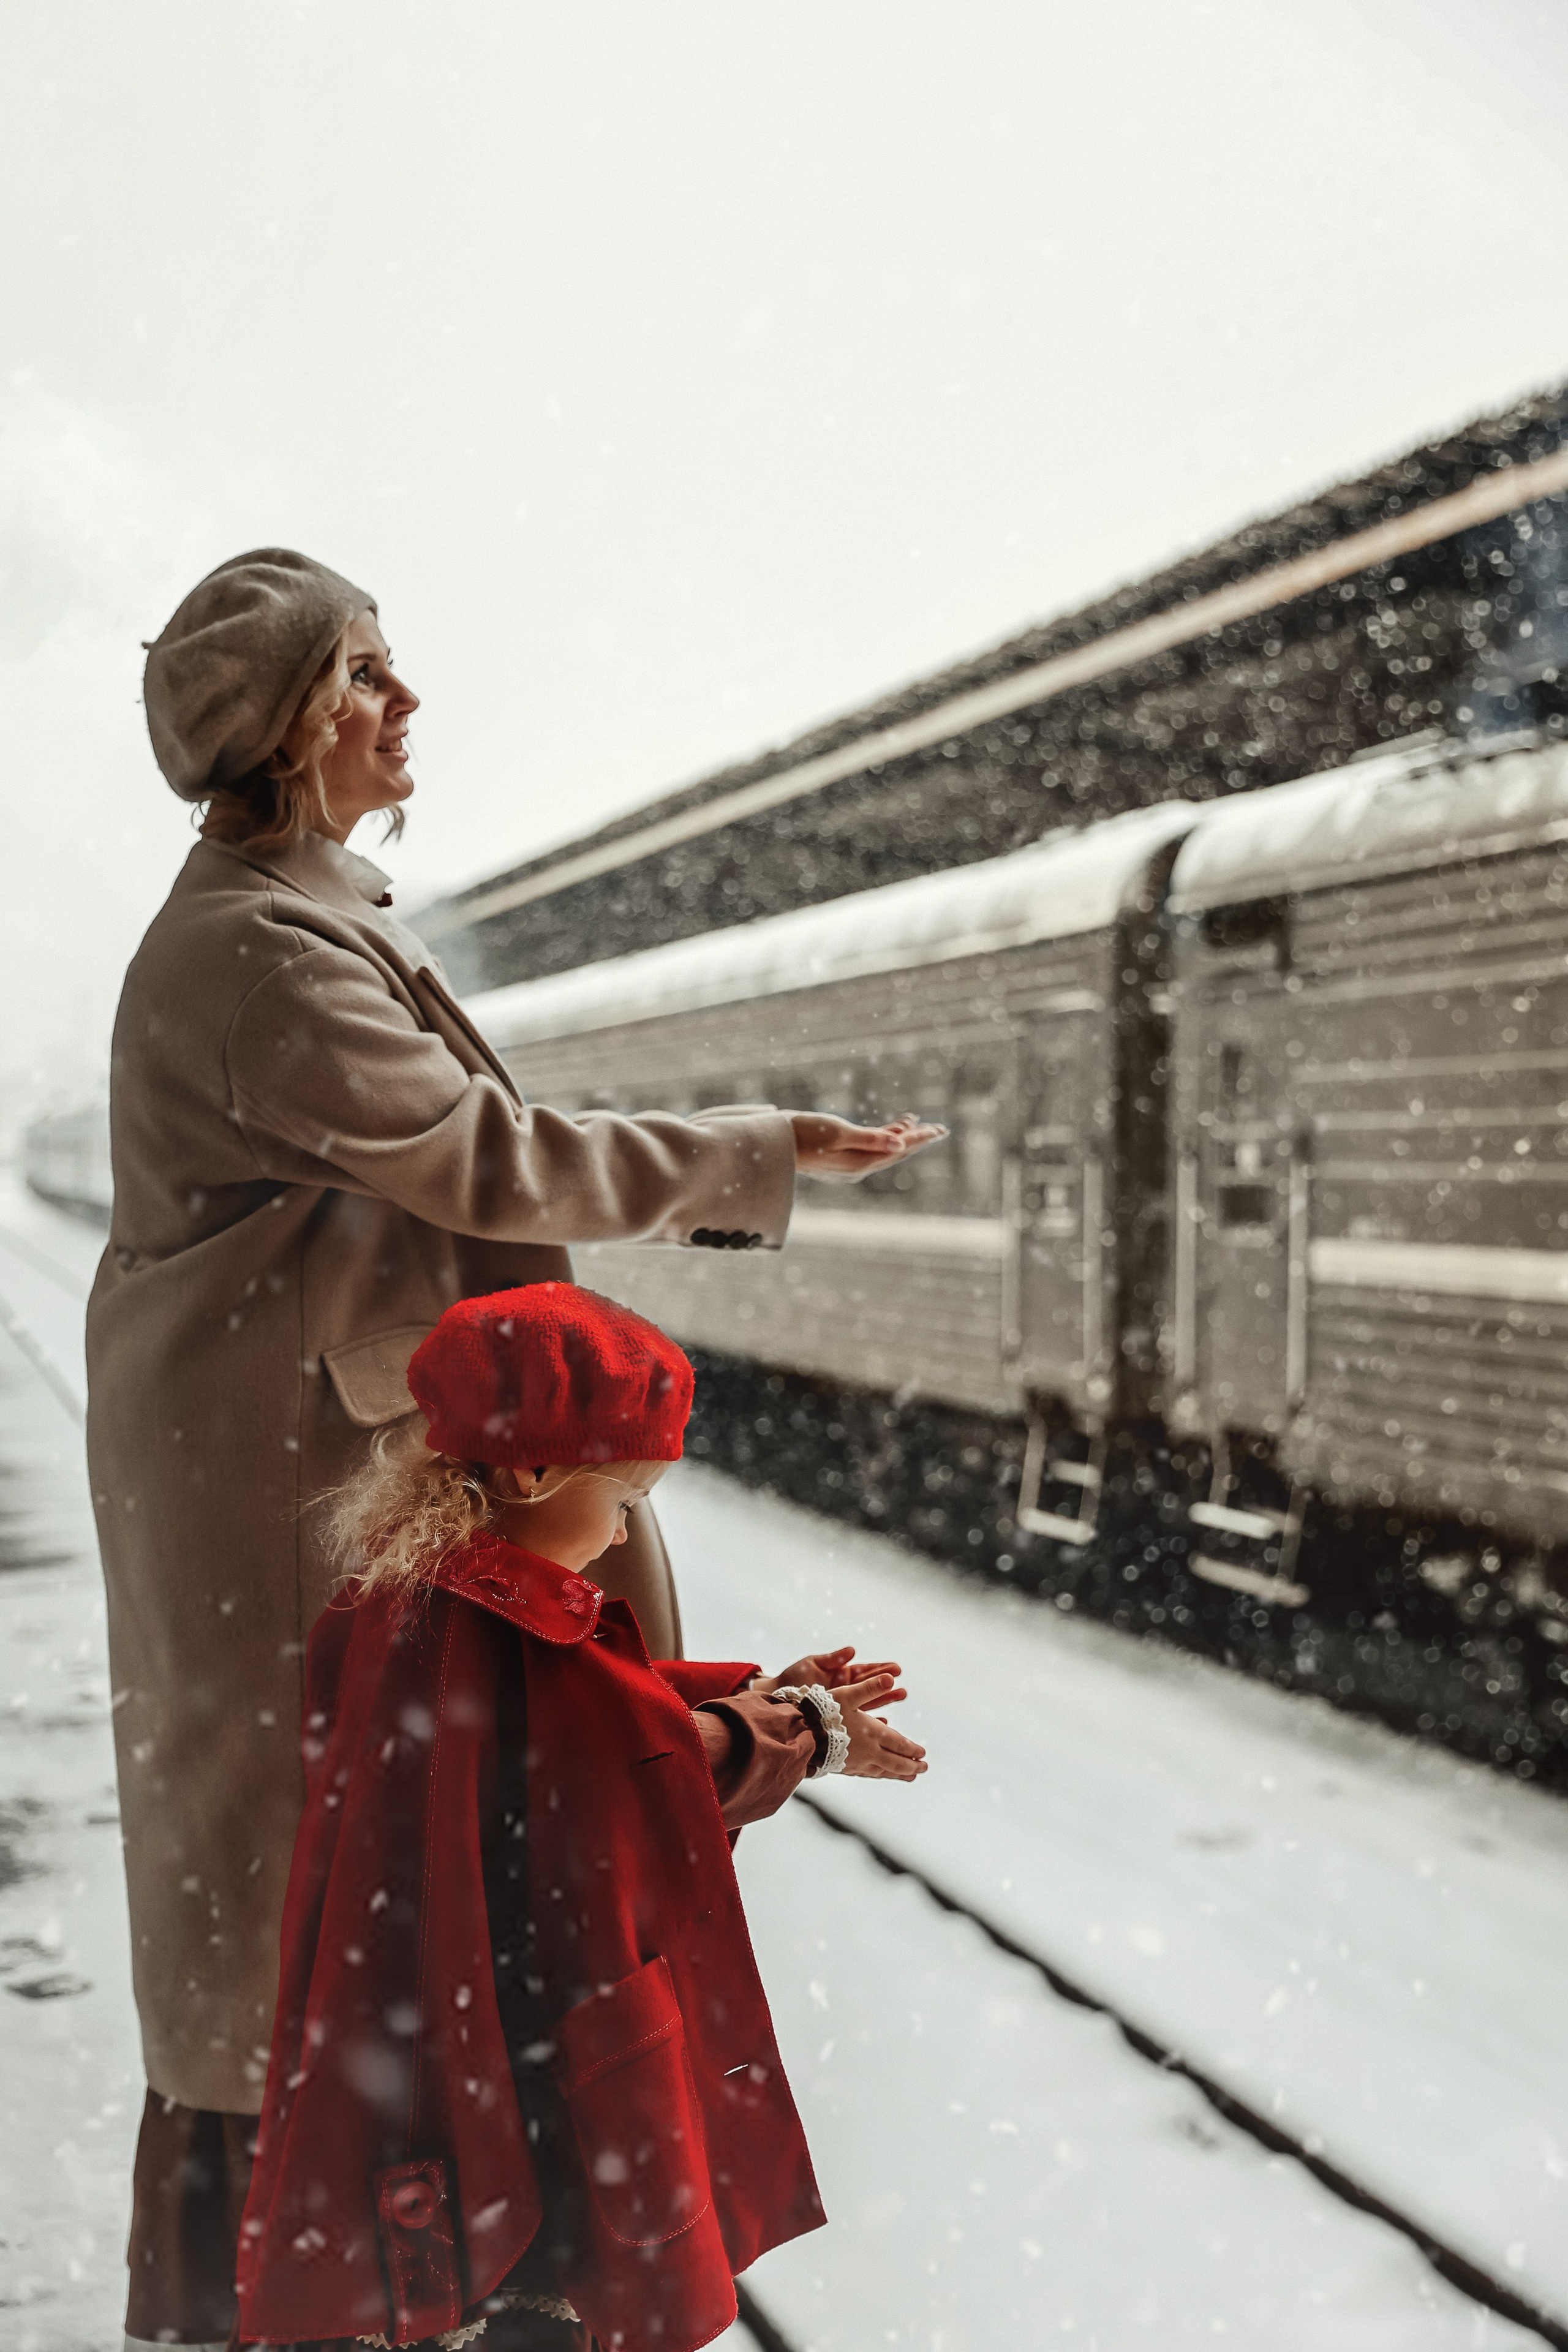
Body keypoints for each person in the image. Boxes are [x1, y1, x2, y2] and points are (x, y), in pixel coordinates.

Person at [92, 548, 944, 2352]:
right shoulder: (260, 957)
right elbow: (489, 1160)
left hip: (305, 1474)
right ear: (296, 727)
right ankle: (371, 2275)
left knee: (384, 1893)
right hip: (301, 1499)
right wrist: (748, 1159)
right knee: (348, 1909)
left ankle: (376, 2262)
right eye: (375, 678)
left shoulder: (301, 920)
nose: (410, 708)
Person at [234, 1281, 927, 2352]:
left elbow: (599, 1710)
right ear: (530, 1470)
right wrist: (799, 1729)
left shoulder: (406, 1601)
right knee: (539, 2286)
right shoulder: (488, 1626)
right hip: (527, 2052)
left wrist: (766, 1700)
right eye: (624, 1499)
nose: (617, 1537)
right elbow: (636, 1764)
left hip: (444, 2030)